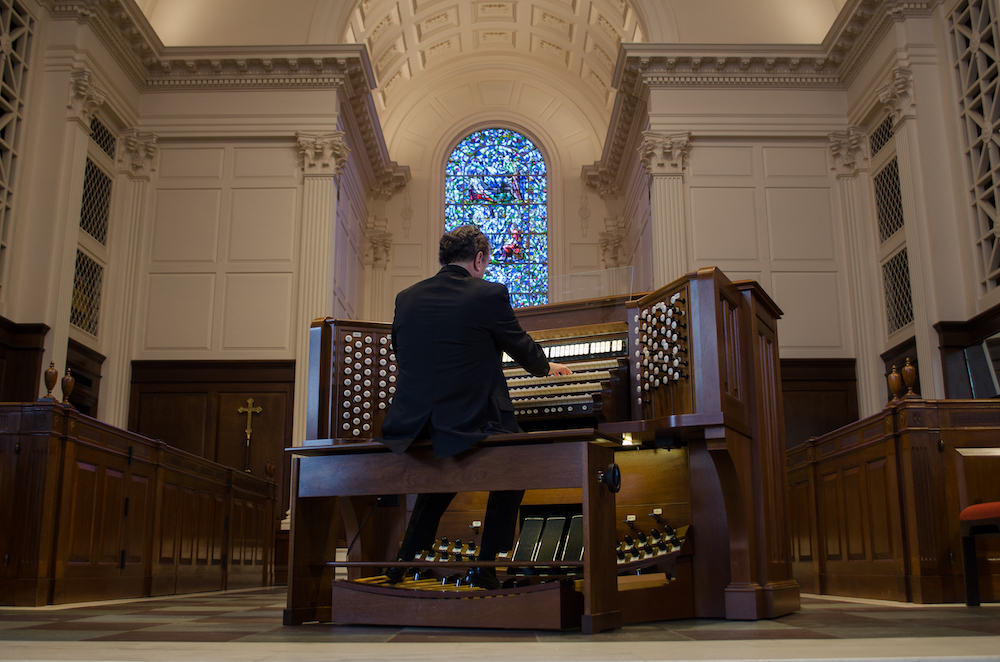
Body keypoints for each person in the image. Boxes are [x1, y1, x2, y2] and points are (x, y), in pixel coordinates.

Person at [378, 224, 570, 587]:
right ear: (479, 259)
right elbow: (519, 344)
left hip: (413, 421)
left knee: (445, 468)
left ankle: (403, 560)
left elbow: (401, 352)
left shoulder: (407, 297)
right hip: (468, 418)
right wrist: (546, 367)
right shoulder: (488, 294)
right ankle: (486, 565)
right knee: (518, 462)